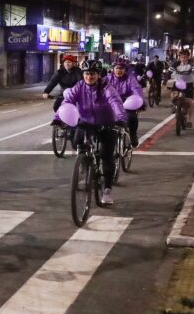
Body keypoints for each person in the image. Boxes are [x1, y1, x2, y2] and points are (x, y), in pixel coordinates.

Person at [60, 60, 127, 205]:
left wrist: (121, 119)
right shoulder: (79, 86)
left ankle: (107, 190)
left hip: (106, 123)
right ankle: (85, 162)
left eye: (93, 74)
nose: (89, 77)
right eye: (87, 74)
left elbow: (115, 102)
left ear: (98, 75)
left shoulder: (106, 87)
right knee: (76, 141)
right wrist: (58, 118)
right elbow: (67, 102)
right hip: (86, 123)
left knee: (106, 156)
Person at [105, 58, 144, 147]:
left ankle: (133, 135)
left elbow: (137, 90)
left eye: (121, 68)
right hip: (110, 105)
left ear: (125, 70)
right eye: (117, 68)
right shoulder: (107, 79)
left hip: (127, 104)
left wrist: (141, 102)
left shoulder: (130, 79)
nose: (119, 70)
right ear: (113, 69)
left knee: (132, 117)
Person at [42, 54, 80, 124]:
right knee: (56, 105)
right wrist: (46, 92)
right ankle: (61, 119)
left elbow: (80, 82)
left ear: (73, 63)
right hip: (63, 93)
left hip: (76, 93)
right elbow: (52, 82)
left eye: (69, 62)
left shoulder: (78, 71)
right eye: (65, 62)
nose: (67, 64)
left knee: (79, 107)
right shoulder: (59, 72)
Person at [169, 49, 194, 128]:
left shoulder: (192, 64)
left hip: (188, 84)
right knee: (173, 96)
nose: (183, 59)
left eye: (185, 57)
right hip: (178, 83)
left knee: (189, 103)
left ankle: (189, 121)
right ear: (179, 57)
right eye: (181, 57)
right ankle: (174, 106)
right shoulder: (176, 64)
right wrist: (165, 81)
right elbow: (168, 72)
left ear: (188, 57)